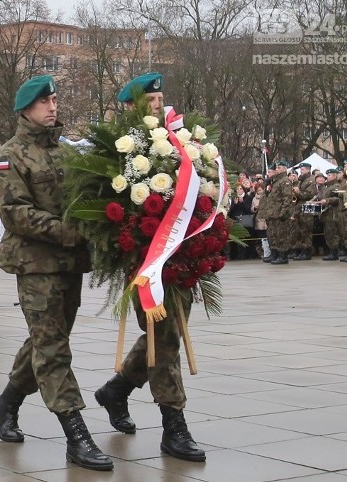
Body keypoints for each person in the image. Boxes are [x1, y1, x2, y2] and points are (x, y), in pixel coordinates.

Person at [0, 74, 112, 470]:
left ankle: (5, 404)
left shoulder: (66, 154)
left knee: (47, 340)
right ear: (26, 109)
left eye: (55, 100)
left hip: (69, 264)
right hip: (35, 264)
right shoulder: (10, 157)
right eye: (45, 102)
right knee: (53, 348)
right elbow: (18, 214)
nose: (53, 107)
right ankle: (76, 434)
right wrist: (71, 232)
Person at [94, 72, 206, 462]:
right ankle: (174, 426)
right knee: (166, 339)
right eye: (148, 101)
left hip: (181, 256)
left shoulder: (181, 140)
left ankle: (118, 389)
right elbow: (104, 205)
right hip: (145, 260)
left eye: (159, 99)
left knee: (169, 332)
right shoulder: (118, 148)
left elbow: (199, 189)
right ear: (131, 107)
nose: (156, 106)